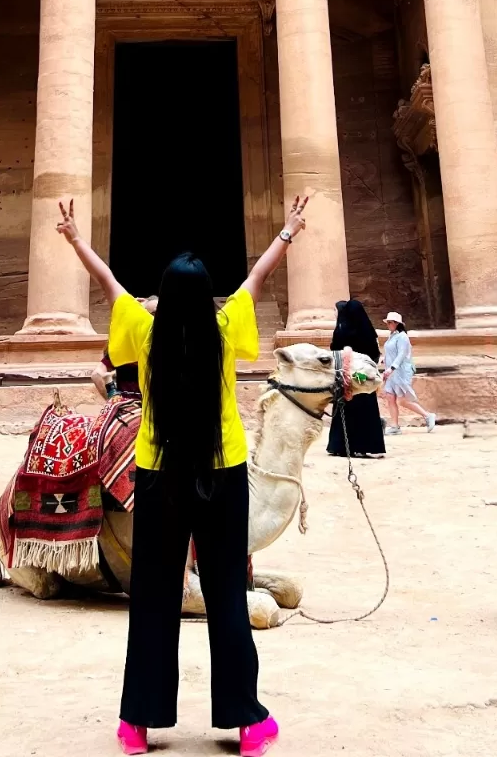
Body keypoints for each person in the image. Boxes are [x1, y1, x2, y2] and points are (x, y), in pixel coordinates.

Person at [55, 194, 310, 757]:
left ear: (162, 299)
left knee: (153, 597)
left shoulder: (145, 335)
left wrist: (76, 239)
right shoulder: (223, 329)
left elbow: (109, 286)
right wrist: (287, 230)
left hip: (157, 475)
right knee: (226, 595)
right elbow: (258, 277)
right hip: (222, 473)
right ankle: (246, 725)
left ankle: (137, 726)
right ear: (206, 298)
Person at [326, 299, 385, 458]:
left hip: (347, 376)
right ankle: (366, 445)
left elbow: (335, 350)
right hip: (364, 377)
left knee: (345, 409)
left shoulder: (342, 331)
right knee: (367, 411)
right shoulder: (367, 331)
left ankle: (341, 446)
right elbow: (374, 353)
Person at [380, 311, 436, 433]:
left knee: (403, 400)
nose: (388, 324)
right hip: (391, 372)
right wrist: (384, 360)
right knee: (390, 397)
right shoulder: (393, 336)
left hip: (400, 372)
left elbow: (401, 354)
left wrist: (392, 368)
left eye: (390, 322)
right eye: (388, 322)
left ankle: (427, 415)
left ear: (396, 323)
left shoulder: (402, 337)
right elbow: (392, 352)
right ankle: (395, 426)